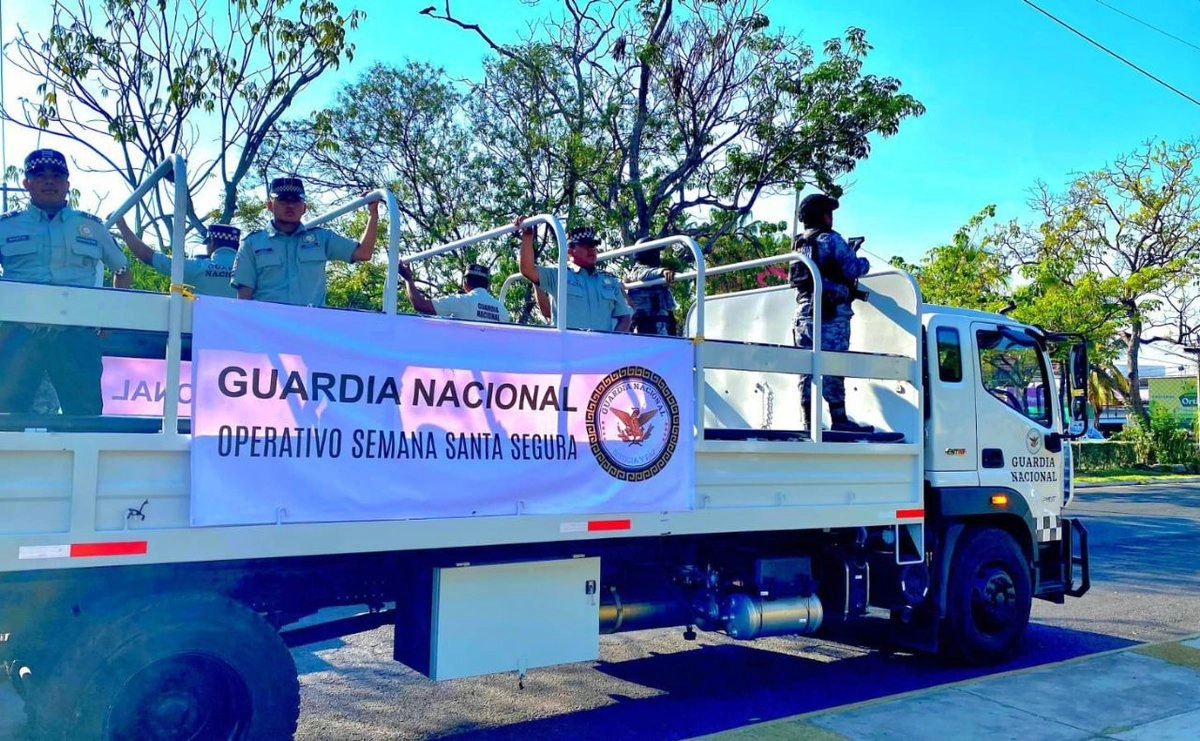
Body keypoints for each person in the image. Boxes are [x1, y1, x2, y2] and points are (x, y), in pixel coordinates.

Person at [0, 148, 131, 415]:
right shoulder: (6, 226)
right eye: (40, 175)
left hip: (75, 335)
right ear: (26, 183)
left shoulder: (91, 227)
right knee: (6, 416)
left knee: (84, 417)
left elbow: (123, 268)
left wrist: (112, 317)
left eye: (57, 176)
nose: (49, 181)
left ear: (67, 184)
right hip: (18, 334)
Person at [790, 192, 872, 433]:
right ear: (821, 215)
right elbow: (854, 268)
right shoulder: (831, 240)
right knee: (834, 366)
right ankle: (839, 419)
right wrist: (860, 258)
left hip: (804, 313)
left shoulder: (798, 243)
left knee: (807, 368)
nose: (831, 217)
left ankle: (808, 422)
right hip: (831, 314)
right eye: (829, 212)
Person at [231, 177, 379, 306]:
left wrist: (373, 213)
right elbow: (244, 298)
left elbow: (364, 253)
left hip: (311, 328)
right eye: (283, 199)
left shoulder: (322, 238)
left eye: (296, 200)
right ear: (269, 205)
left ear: (304, 208)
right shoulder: (252, 243)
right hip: (268, 328)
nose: (290, 205)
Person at [517, 220, 632, 332]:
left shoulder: (610, 281)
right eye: (586, 246)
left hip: (601, 349)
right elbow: (527, 269)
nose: (592, 249)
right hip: (568, 348)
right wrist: (528, 236)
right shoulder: (559, 274)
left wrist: (613, 341)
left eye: (593, 246)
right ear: (570, 251)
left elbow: (625, 317)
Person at [118, 217, 241, 297]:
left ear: (212, 243)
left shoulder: (197, 267)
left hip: (201, 333)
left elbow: (147, 256)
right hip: (244, 334)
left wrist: (122, 226)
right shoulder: (251, 270)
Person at [397, 260, 510, 323]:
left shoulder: (460, 301)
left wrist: (408, 279)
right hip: (490, 364)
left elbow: (420, 305)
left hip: (462, 362)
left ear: (464, 283)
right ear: (487, 285)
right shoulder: (503, 311)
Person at [624, 242, 677, 336]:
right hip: (645, 329)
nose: (658, 256)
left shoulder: (656, 280)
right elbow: (642, 274)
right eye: (656, 252)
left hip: (661, 328)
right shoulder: (636, 272)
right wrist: (662, 271)